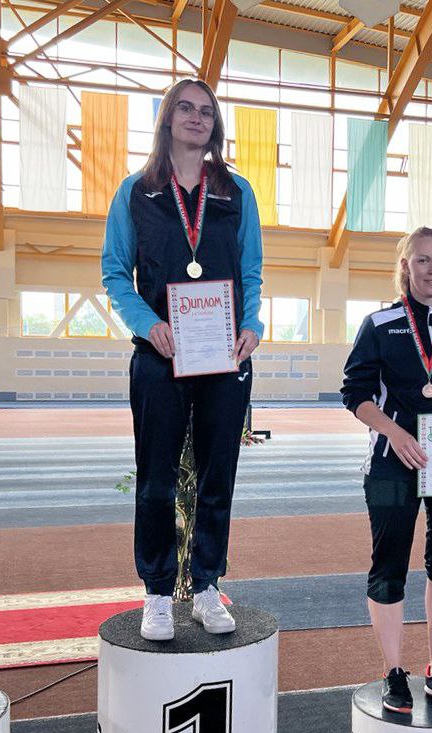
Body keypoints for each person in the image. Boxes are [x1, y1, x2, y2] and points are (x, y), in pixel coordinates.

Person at [101, 79, 264, 641]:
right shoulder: (136, 192)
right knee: (156, 479)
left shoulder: (236, 192)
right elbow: (115, 273)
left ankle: (207, 586)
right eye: (186, 109)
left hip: (224, 354)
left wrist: (252, 325)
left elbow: (251, 271)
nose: (197, 118)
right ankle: (157, 592)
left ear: (215, 125)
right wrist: (147, 324)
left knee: (219, 475)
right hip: (160, 356)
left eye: (207, 112)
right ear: (167, 119)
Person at [341, 226, 432, 713]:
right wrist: (394, 432)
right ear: (405, 265)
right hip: (394, 463)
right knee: (388, 568)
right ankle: (392, 672)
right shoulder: (380, 324)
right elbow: (355, 393)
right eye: (423, 260)